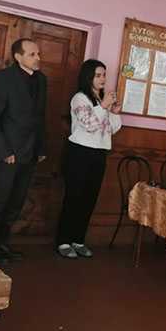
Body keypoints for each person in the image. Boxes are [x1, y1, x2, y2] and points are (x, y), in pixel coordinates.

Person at [0, 38, 47, 264]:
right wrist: (3, 150)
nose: (38, 58)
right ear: (18, 57)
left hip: (30, 153)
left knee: (16, 203)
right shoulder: (2, 78)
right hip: (8, 153)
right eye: (32, 54)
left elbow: (40, 117)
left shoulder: (42, 80)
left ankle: (2, 244)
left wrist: (41, 147)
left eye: (38, 54)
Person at [55, 60, 122, 259]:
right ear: (88, 76)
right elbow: (90, 124)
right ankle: (63, 241)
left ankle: (78, 240)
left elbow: (111, 129)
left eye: (104, 75)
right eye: (98, 75)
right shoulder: (79, 98)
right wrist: (103, 106)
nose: (103, 79)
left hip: (99, 153)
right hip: (79, 153)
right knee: (73, 198)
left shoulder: (101, 99)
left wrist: (114, 113)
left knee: (89, 199)